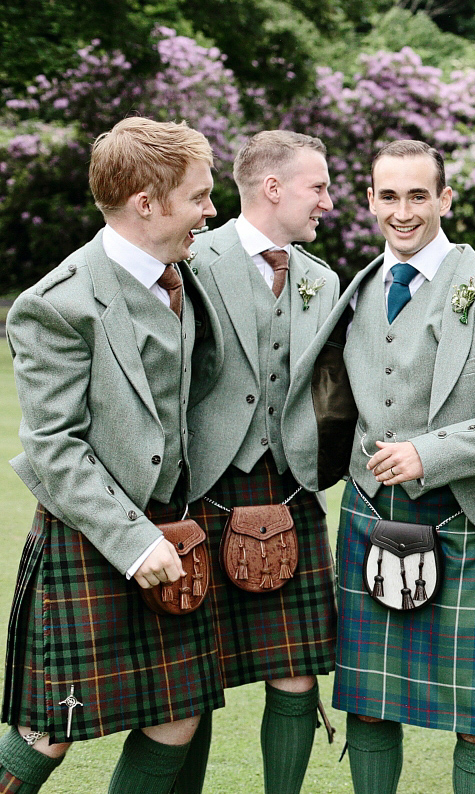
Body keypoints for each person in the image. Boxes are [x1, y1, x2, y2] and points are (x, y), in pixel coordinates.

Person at [287, 139, 475, 794]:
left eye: (417, 196)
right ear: (370, 200)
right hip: (367, 511)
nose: (402, 211)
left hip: (462, 517)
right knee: (370, 702)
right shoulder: (354, 288)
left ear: (445, 200)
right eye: (388, 196)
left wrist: (430, 452)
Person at [0, 117, 224, 793]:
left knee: (178, 713)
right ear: (146, 204)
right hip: (96, 539)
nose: (211, 211)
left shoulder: (187, 275)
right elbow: (52, 445)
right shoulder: (57, 305)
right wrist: (130, 541)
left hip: (178, 532)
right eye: (200, 197)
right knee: (50, 730)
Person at [181, 130, 340, 794]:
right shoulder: (191, 260)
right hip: (203, 489)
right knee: (188, 676)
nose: (328, 202)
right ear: (273, 188)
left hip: (292, 485)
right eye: (320, 186)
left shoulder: (322, 280)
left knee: (298, 667)